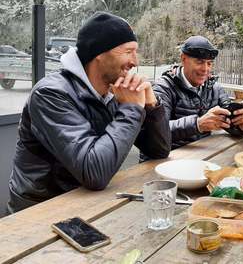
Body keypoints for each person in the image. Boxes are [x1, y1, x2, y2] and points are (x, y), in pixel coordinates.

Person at [8, 12, 171, 213]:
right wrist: (131, 109)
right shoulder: (51, 94)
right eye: (128, 51)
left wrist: (151, 106)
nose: (135, 62)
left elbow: (159, 151)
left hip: (87, 204)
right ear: (99, 53)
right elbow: (93, 172)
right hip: (40, 212)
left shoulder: (113, 92)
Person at [149, 35, 243, 155]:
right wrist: (198, 124)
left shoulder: (215, 88)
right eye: (199, 62)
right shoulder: (163, 88)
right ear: (183, 59)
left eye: (209, 63)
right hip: (163, 160)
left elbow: (229, 123)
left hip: (200, 157)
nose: (205, 69)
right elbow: (155, 134)